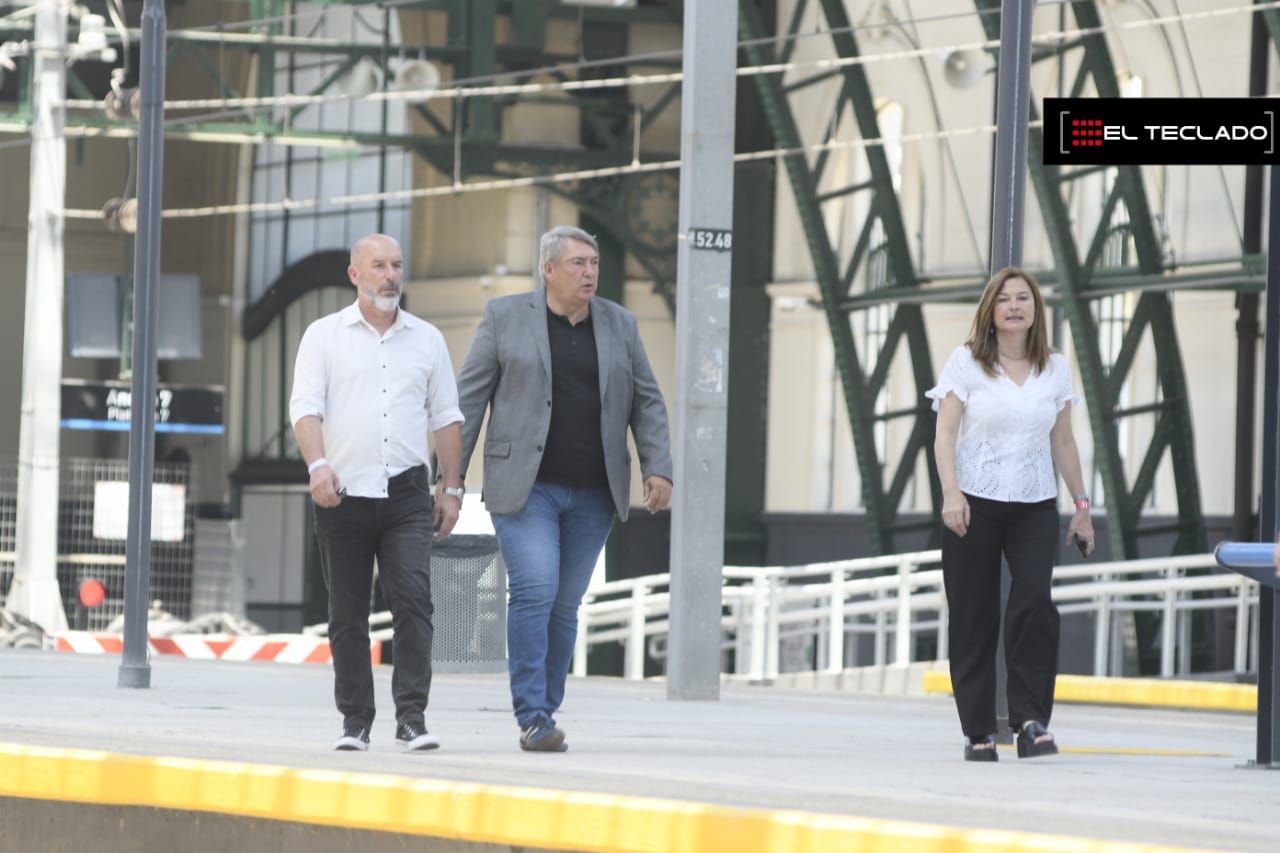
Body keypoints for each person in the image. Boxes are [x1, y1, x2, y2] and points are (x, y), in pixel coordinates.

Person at [456, 225, 673, 752]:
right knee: (534, 591)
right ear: (548, 269)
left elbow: (647, 399)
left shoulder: (619, 324)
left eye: (594, 263)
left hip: (595, 492)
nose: (590, 272)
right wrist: (448, 478)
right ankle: (531, 714)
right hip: (526, 489)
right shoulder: (504, 318)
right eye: (577, 263)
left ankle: (545, 711)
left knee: (564, 604)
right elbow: (469, 402)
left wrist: (657, 465)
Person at [289, 233, 465, 753]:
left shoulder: (428, 339)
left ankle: (412, 717)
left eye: (397, 265)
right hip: (341, 493)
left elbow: (447, 416)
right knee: (347, 612)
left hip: (408, 493)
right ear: (355, 275)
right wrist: (317, 465)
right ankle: (355, 722)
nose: (391, 275)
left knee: (414, 601)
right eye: (379, 266)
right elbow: (304, 407)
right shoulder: (323, 337)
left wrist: (452, 487)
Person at [926, 266, 1094, 762]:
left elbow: (1062, 440)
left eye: (1024, 298)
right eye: (1005, 300)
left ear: (1036, 309)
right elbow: (945, 435)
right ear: (991, 312)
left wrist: (1081, 507)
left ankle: (1030, 721)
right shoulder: (966, 363)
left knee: (1034, 606)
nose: (1015, 306)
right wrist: (951, 493)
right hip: (973, 503)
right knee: (974, 614)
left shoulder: (1054, 368)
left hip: (1035, 504)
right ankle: (978, 730)